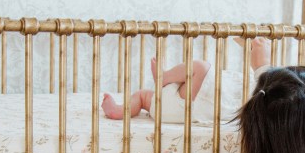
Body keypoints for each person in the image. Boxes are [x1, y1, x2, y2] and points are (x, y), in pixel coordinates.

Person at [101, 37, 272, 125]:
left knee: (200, 68)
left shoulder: (264, 90)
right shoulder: (258, 90)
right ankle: (119, 110)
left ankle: (164, 77)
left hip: (192, 103)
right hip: (183, 108)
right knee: (145, 96)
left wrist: (263, 61)